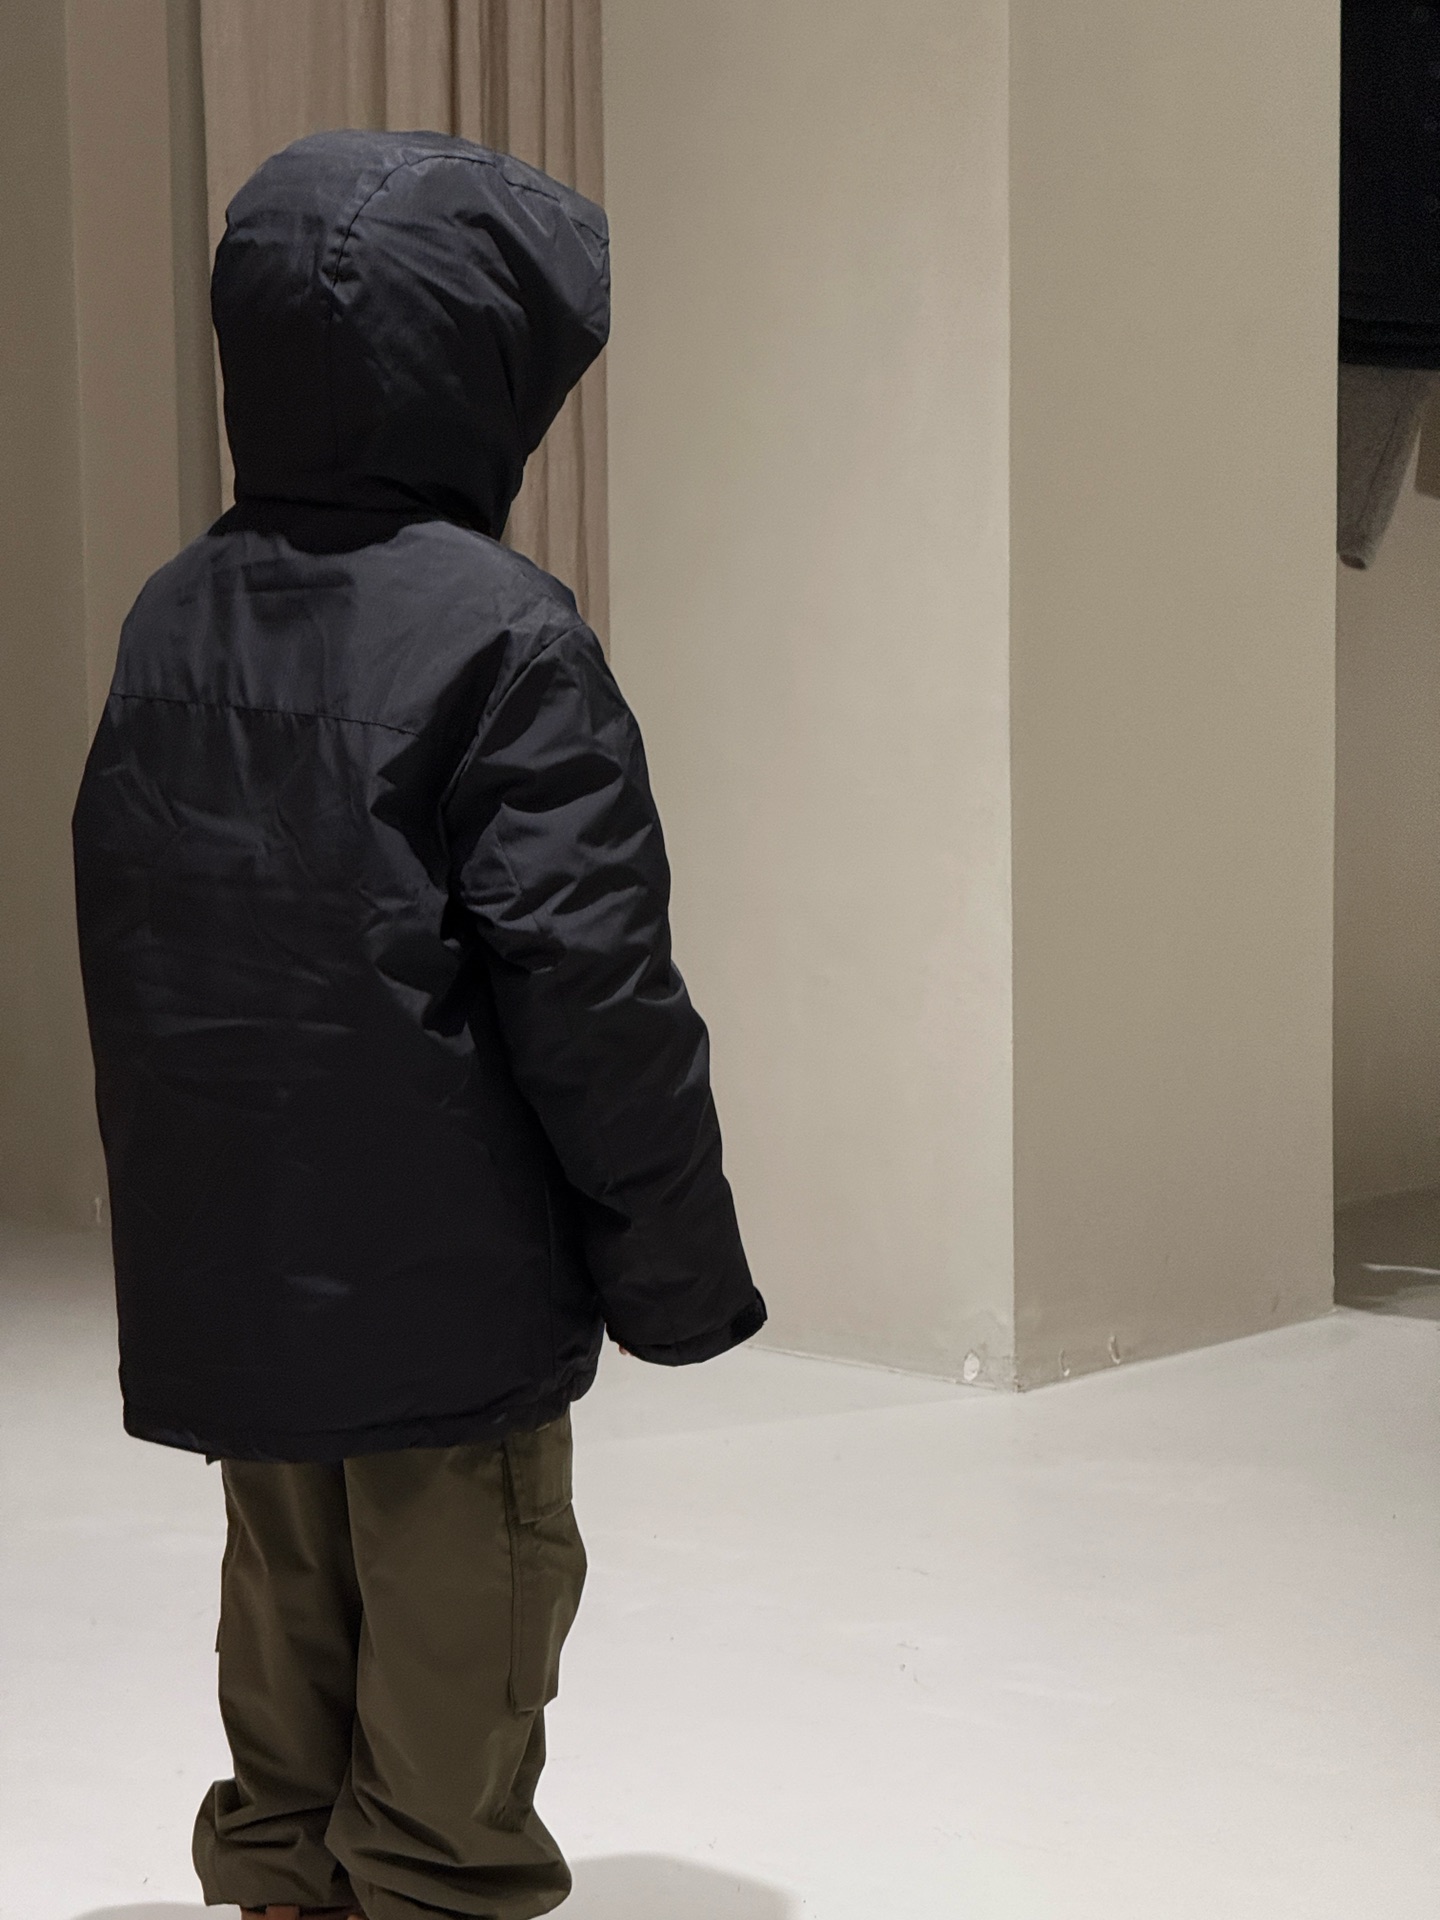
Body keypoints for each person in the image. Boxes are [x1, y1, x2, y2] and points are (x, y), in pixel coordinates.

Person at [71, 128, 764, 1920]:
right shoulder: (507, 641)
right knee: (462, 1637)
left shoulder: (175, 613)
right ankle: (429, 1891)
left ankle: (284, 1877)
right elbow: (594, 988)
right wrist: (676, 1270)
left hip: (245, 1260)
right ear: (482, 377)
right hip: (449, 1286)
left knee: (286, 1605)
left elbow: (142, 935)